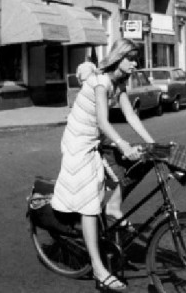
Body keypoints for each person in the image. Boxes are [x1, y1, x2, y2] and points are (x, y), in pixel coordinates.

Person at [51, 39, 156, 292]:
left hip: (96, 139)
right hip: (78, 142)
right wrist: (123, 145)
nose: (134, 64)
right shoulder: (101, 82)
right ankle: (99, 270)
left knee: (133, 167)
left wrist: (153, 143)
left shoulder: (119, 84)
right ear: (118, 58)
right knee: (88, 205)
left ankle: (113, 206)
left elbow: (130, 115)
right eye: (130, 59)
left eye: (136, 60)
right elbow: (102, 121)